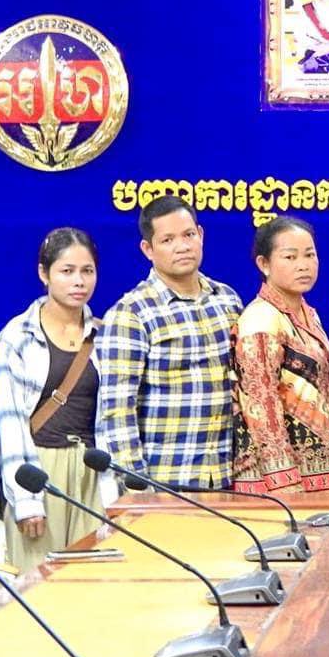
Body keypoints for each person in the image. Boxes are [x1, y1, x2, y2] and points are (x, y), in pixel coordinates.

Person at [96, 195, 243, 489]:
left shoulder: (227, 300)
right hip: (167, 483)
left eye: (189, 235)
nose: (182, 246)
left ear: (201, 235)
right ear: (147, 249)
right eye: (168, 240)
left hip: (230, 479)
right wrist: (138, 488)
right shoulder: (131, 313)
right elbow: (117, 411)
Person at [0, 227, 112, 569]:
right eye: (67, 271)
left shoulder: (106, 336)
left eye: (87, 271)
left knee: (93, 582)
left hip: (93, 471)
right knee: (37, 583)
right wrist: (26, 500)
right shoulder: (16, 338)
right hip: (40, 469)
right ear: (44, 274)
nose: (79, 281)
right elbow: (9, 425)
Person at [233, 216, 329, 494]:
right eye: (290, 257)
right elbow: (261, 402)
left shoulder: (309, 314)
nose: (303, 265)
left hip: (320, 474)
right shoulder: (260, 318)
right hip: (280, 484)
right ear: (264, 264)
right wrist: (283, 480)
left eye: (309, 255)